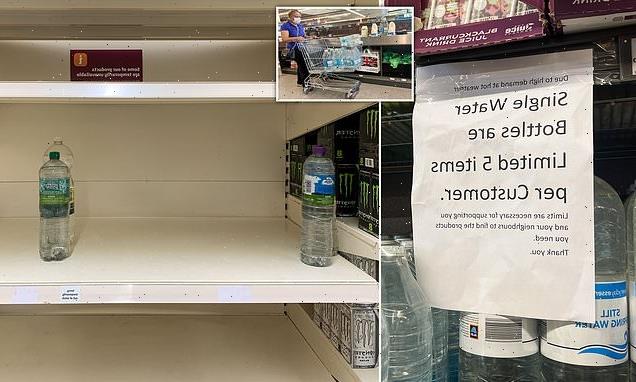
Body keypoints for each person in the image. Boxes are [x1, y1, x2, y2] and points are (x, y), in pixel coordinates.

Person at [280, 9, 309, 87]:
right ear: (290, 17)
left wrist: (309, 37)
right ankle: (305, 83)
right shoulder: (285, 26)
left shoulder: (300, 25)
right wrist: (296, 38)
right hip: (294, 49)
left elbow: (304, 36)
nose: (298, 18)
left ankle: (300, 82)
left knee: (301, 64)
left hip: (302, 48)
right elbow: (284, 39)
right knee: (304, 65)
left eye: (299, 16)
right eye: (296, 16)